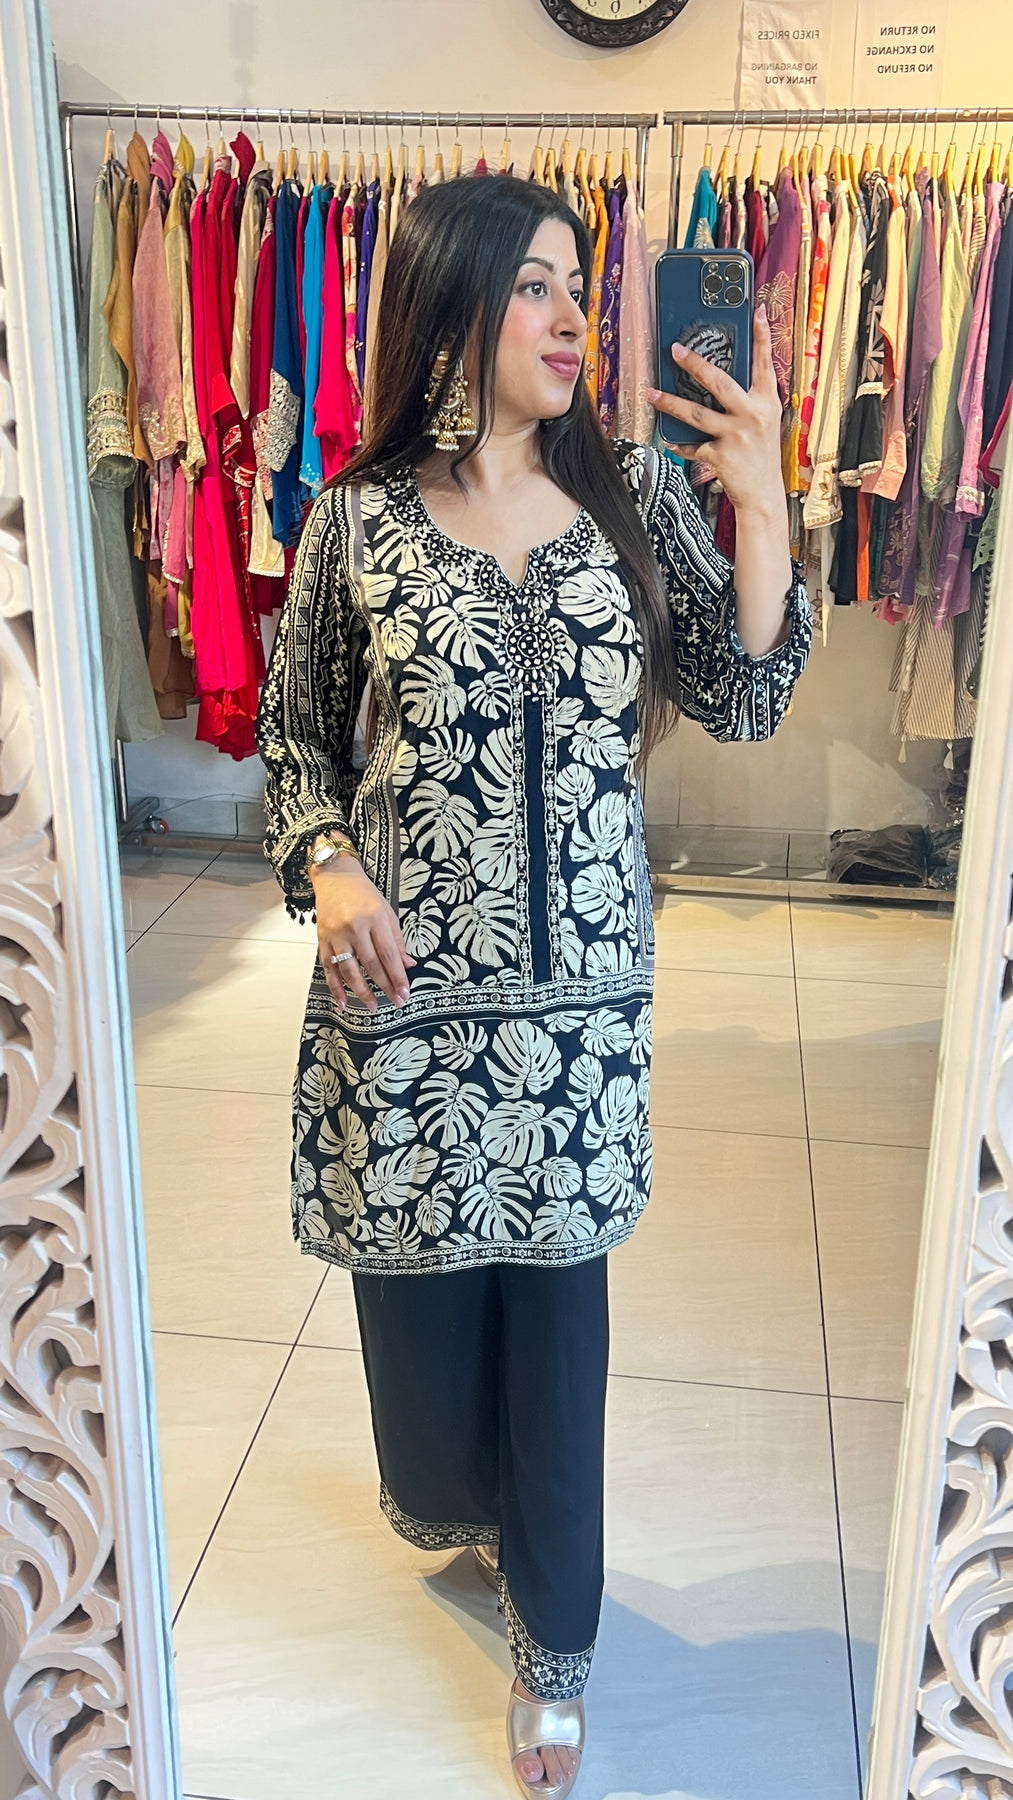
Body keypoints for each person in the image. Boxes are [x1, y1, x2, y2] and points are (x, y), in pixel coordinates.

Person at [256, 173, 810, 1799]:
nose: (576, 317)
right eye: (537, 286)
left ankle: (556, 1652)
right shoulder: (355, 518)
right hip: (403, 1014)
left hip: (577, 1026)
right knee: (424, 1339)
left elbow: (742, 692)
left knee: (560, 1329)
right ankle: (462, 1505)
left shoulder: (628, 491)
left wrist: (762, 505)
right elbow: (294, 743)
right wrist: (327, 866)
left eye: (583, 286)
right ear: (452, 298)